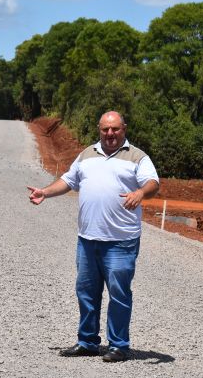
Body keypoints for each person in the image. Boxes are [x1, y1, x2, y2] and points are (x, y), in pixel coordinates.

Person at [27, 111, 159, 362]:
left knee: (119, 294)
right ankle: (87, 341)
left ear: (124, 129)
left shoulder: (138, 157)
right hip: (88, 239)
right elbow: (68, 180)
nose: (110, 134)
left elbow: (153, 182)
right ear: (99, 129)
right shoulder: (87, 154)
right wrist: (45, 192)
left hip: (121, 241)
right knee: (86, 292)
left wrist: (141, 193)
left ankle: (119, 345)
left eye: (115, 129)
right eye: (105, 129)